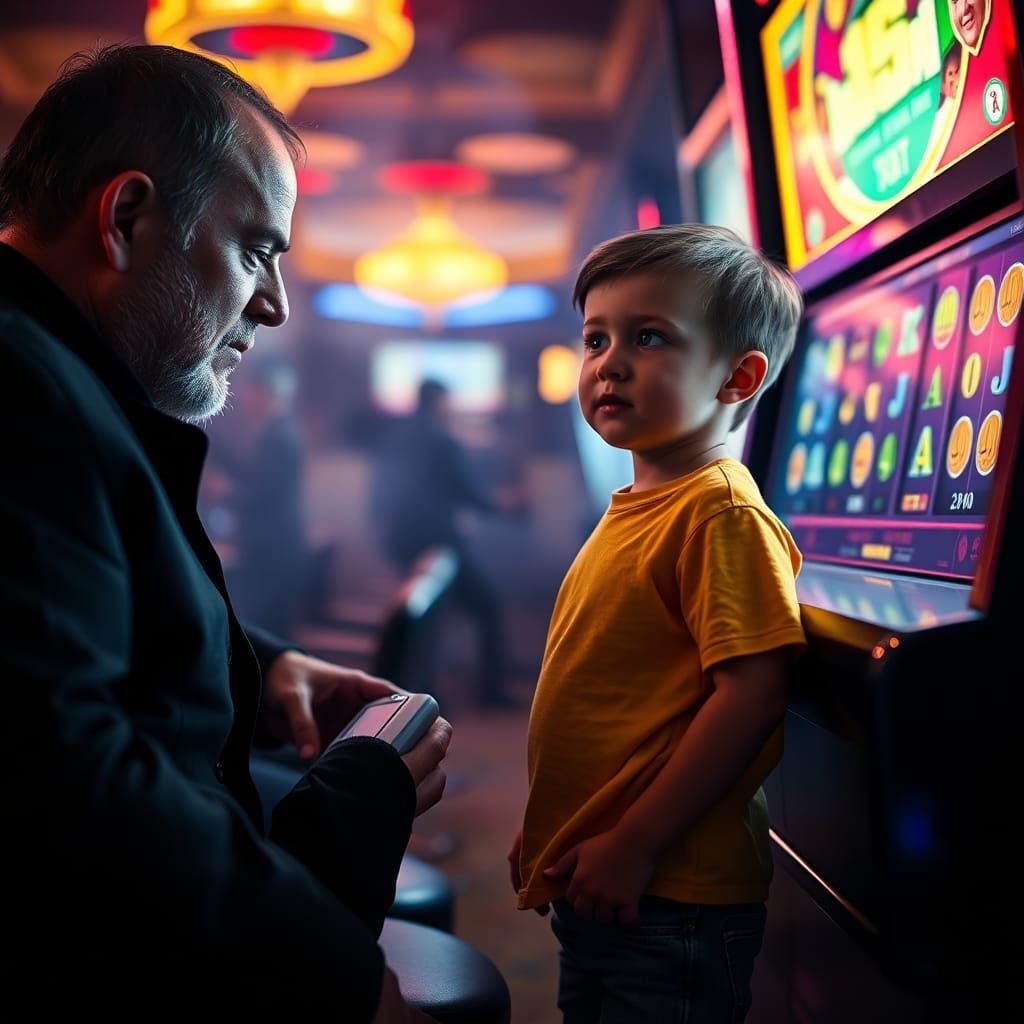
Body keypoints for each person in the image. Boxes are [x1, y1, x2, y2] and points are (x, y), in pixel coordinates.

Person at [0, 45, 449, 1021]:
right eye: (257, 249)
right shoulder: (20, 382)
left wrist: (261, 664)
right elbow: (65, 778)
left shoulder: (51, 370)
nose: (275, 304)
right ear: (125, 219)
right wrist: (336, 974)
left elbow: (61, 619)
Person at [509, 224, 807, 1023]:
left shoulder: (720, 514)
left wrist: (636, 843)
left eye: (649, 337)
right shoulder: (643, 505)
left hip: (674, 893)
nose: (609, 362)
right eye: (596, 338)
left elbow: (751, 698)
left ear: (738, 378)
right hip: (611, 880)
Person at [373, 378, 517, 709]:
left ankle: (425, 692)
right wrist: (504, 505)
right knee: (486, 607)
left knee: (424, 619)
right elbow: (469, 492)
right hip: (439, 543)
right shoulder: (444, 441)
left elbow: (378, 495)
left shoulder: (394, 439)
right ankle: (489, 693)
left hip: (400, 540)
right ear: (439, 403)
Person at [215, 356, 311, 640]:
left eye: (246, 390)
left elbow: (263, 495)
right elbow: (258, 480)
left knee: (261, 629)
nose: (242, 397)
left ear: (264, 391)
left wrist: (225, 491)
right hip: (277, 545)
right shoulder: (280, 430)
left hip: (272, 547)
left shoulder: (279, 436)